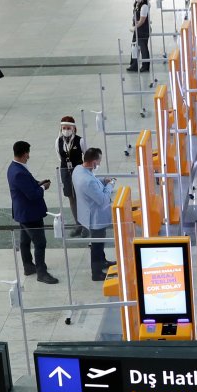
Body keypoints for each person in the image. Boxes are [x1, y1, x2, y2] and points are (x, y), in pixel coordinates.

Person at [7, 141, 59, 283]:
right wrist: (43, 188)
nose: (29, 156)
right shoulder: (19, 172)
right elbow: (32, 195)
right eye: (28, 153)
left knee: (25, 241)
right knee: (40, 242)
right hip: (30, 214)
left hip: (23, 213)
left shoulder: (13, 168)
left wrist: (38, 183)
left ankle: (28, 266)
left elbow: (27, 184)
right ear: (24, 153)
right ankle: (42, 273)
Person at [73, 147, 114, 280]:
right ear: (93, 162)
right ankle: (96, 273)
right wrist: (110, 185)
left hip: (86, 213)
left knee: (99, 242)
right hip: (96, 218)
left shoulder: (78, 170)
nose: (99, 164)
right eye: (98, 161)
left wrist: (102, 181)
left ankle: (102, 261)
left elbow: (92, 184)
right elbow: (102, 200)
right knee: (97, 244)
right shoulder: (88, 180)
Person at [57, 116, 84, 230]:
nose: (66, 130)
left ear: (73, 128)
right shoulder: (58, 141)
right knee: (71, 197)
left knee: (80, 197)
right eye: (64, 128)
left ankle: (85, 224)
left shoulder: (80, 140)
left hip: (78, 171)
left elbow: (86, 155)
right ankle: (77, 223)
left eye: (68, 128)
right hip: (66, 172)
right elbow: (60, 157)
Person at [130, 0, 152, 72]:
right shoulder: (137, 5)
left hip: (143, 31)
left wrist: (135, 27)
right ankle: (134, 65)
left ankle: (145, 66)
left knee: (143, 48)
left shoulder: (144, 6)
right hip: (138, 29)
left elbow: (142, 20)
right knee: (134, 47)